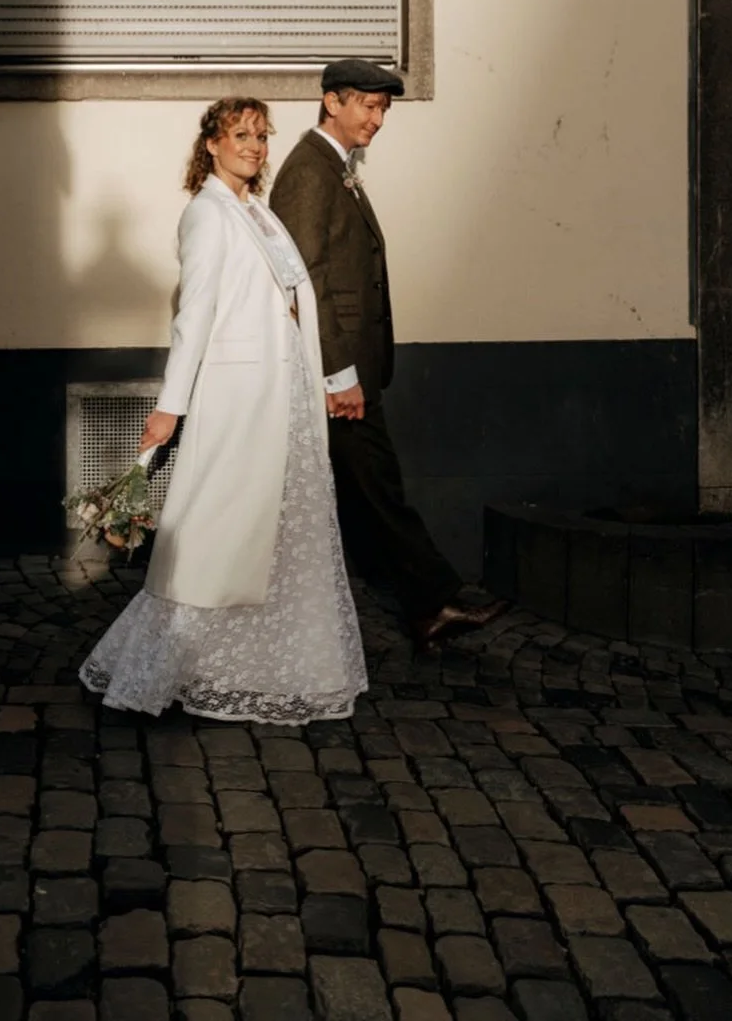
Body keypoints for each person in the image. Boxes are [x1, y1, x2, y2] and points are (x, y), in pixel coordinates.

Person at [79, 97, 367, 724]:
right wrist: (170, 408)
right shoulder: (207, 214)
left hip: (281, 393)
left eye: (263, 136)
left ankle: (263, 662)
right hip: (238, 397)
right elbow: (196, 316)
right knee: (216, 532)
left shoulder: (257, 212)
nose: (256, 146)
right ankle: (161, 664)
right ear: (211, 142)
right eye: (242, 134)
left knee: (275, 530)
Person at [269, 58, 508, 653]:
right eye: (368, 107)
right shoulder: (309, 171)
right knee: (378, 489)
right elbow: (304, 280)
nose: (377, 120)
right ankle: (435, 600)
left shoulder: (335, 168)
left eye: (383, 110)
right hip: (338, 375)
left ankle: (424, 606)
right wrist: (338, 373)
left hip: (350, 370)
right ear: (332, 102)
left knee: (365, 492)